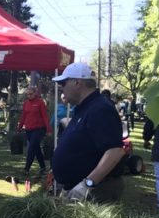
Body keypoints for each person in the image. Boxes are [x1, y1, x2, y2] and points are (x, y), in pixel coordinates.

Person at [50, 62, 124, 203]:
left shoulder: (100, 109)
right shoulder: (85, 107)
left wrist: (87, 184)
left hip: (95, 192)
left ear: (77, 82)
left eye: (64, 83)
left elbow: (115, 151)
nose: (61, 88)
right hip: (76, 189)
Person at [16, 85, 52, 178]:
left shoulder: (40, 103)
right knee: (36, 149)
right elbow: (23, 116)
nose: (29, 96)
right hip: (29, 129)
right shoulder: (26, 103)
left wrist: (48, 129)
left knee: (31, 148)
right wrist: (19, 127)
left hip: (39, 129)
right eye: (27, 94)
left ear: (35, 93)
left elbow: (45, 116)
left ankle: (26, 169)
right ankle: (43, 167)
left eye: (31, 94)